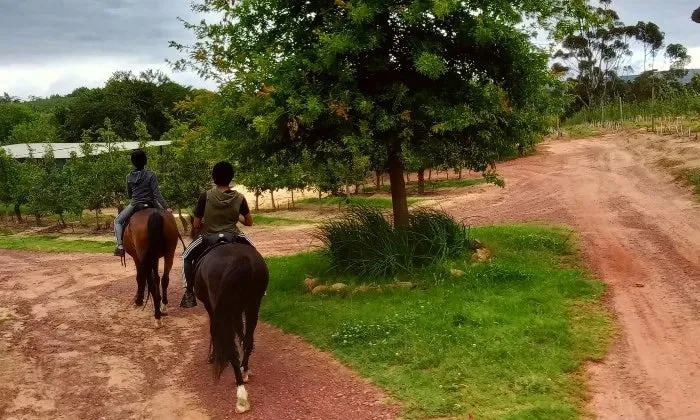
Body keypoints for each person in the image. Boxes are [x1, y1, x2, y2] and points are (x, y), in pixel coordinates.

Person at [180, 161, 254, 308]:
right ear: (231, 177)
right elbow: (248, 222)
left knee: (186, 256)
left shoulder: (205, 196)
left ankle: (189, 293)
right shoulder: (239, 197)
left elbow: (196, 224)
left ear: (214, 178)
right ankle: (258, 288)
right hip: (233, 235)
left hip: (209, 236)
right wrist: (235, 216)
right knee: (255, 254)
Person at [113, 149, 168, 257]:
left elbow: (129, 195)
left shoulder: (129, 177)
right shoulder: (152, 174)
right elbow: (156, 194)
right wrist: (166, 207)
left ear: (132, 162)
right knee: (168, 217)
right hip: (152, 202)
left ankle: (120, 246)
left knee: (118, 221)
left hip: (135, 204)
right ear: (145, 161)